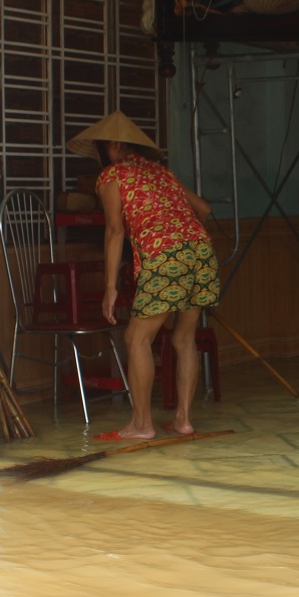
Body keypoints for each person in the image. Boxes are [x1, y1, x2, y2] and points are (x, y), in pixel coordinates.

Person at [67, 111, 220, 442]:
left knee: (136, 339)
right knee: (184, 339)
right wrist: (188, 244)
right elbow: (204, 210)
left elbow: (114, 230)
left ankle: (142, 424)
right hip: (201, 250)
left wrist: (110, 288)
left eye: (103, 146)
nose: (101, 153)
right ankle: (183, 420)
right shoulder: (161, 172)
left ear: (115, 144)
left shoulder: (111, 176)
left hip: (164, 256)